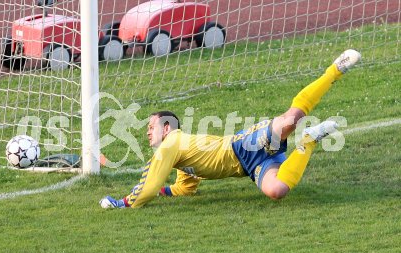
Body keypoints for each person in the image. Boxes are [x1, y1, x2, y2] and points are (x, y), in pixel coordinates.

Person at [99, 49, 362, 209]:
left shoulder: (170, 145)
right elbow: (184, 189)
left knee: (289, 120)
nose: (147, 132)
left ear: (167, 128)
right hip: (250, 166)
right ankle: (308, 141)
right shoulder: (179, 153)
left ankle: (334, 70)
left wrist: (121, 202)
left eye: (151, 126)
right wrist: (164, 191)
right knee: (277, 191)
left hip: (243, 145)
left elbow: (148, 185)